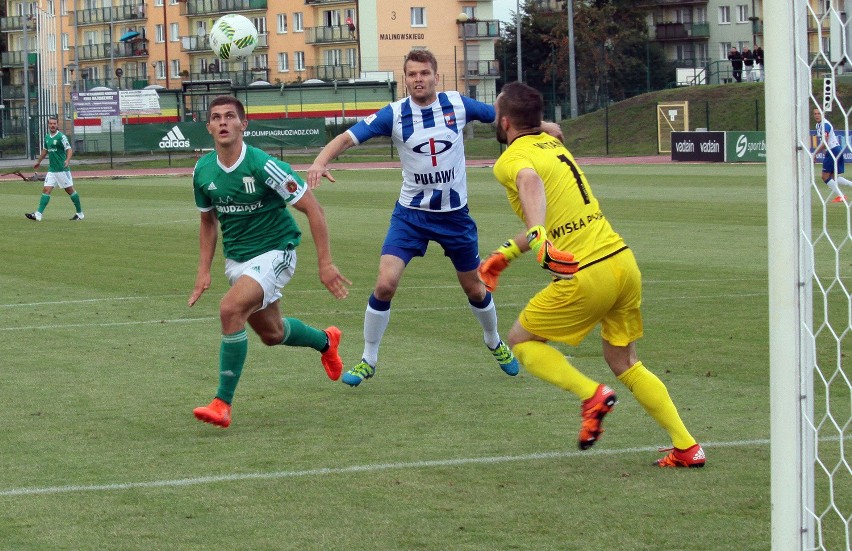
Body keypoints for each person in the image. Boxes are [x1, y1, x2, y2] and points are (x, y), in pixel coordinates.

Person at [478, 81, 705, 468]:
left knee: (521, 342)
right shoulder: (555, 144)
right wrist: (508, 252)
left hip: (585, 272)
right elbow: (551, 203)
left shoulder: (511, 160)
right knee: (625, 361)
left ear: (503, 121)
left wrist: (535, 237)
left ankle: (591, 394)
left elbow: (529, 184)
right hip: (621, 262)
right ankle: (687, 446)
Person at [306, 49, 522, 387]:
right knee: (384, 283)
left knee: (476, 291)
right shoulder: (393, 114)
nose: (418, 79)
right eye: (411, 74)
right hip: (411, 216)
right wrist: (320, 161)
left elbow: (503, 116)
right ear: (404, 79)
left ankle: (494, 341)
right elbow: (348, 137)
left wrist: (541, 126)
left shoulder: (458, 104)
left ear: (436, 76)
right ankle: (368, 359)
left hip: (454, 217)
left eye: (424, 73)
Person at [190, 95, 351, 428]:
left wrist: (325, 263)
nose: (223, 122)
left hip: (277, 251)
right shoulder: (202, 170)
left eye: (230, 116)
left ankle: (223, 402)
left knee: (230, 310)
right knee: (272, 334)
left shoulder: (263, 165)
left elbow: (313, 208)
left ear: (243, 124)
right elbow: (208, 221)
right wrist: (203, 272)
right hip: (238, 261)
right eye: (216, 117)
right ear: (208, 127)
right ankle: (326, 341)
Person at [26, 117, 84, 222]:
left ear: (57, 125)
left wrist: (67, 160)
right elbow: (45, 150)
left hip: (62, 170)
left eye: (54, 123)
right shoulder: (47, 137)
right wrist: (38, 162)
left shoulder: (61, 137)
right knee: (46, 190)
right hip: (52, 170)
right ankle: (38, 214)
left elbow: (69, 149)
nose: (52, 125)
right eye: (51, 123)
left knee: (70, 191)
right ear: (48, 125)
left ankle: (80, 213)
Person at [813, 107, 852, 203]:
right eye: (815, 114)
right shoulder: (818, 125)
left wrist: (814, 154)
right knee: (834, 177)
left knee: (825, 177)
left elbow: (825, 142)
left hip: (833, 151)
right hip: (835, 150)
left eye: (819, 113)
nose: (817, 115)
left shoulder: (825, 125)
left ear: (823, 114)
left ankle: (841, 196)